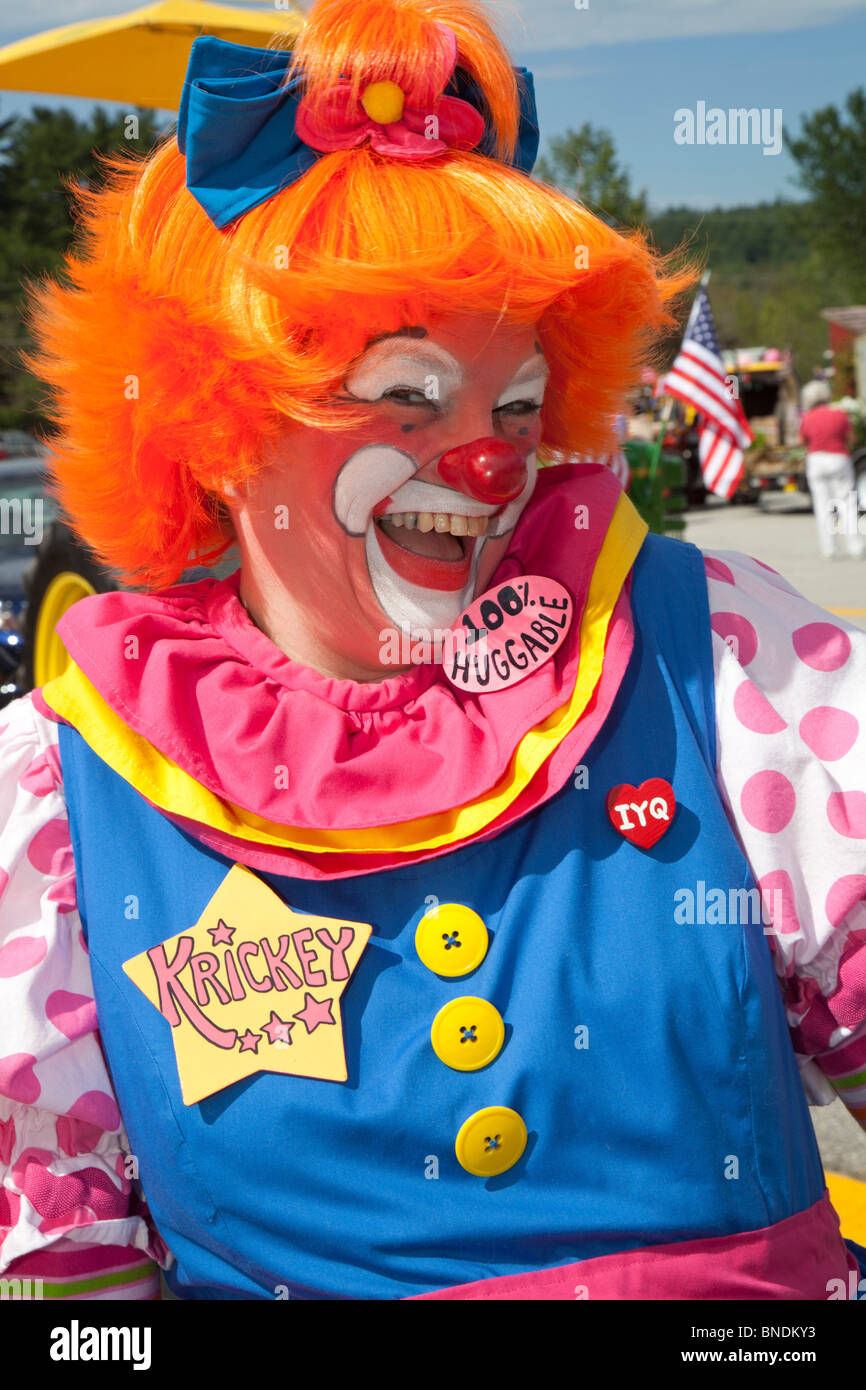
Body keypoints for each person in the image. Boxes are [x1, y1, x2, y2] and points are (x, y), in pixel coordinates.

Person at [1, 0, 866, 1301]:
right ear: (221, 423)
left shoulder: (716, 657)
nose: (484, 460)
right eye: (405, 393)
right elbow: (74, 1294)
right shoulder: (68, 794)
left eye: (517, 402)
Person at [800, 379, 864, 560]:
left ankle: (829, 549)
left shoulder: (807, 417)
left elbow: (803, 441)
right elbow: (851, 439)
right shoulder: (840, 414)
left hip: (816, 460)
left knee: (822, 506)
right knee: (847, 504)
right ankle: (855, 547)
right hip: (838, 458)